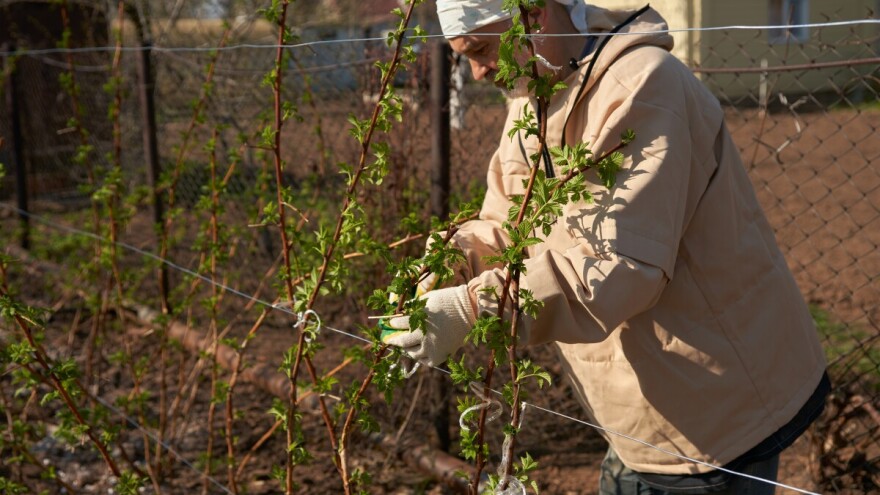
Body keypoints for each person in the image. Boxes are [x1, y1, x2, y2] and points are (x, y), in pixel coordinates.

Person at [382, 1, 830, 493]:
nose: (478, 70)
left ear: (534, 15)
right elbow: (507, 222)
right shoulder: (537, 93)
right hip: (639, 413)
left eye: (483, 49)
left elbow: (619, 267)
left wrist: (471, 308)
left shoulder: (644, 86)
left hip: (713, 418)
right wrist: (450, 261)